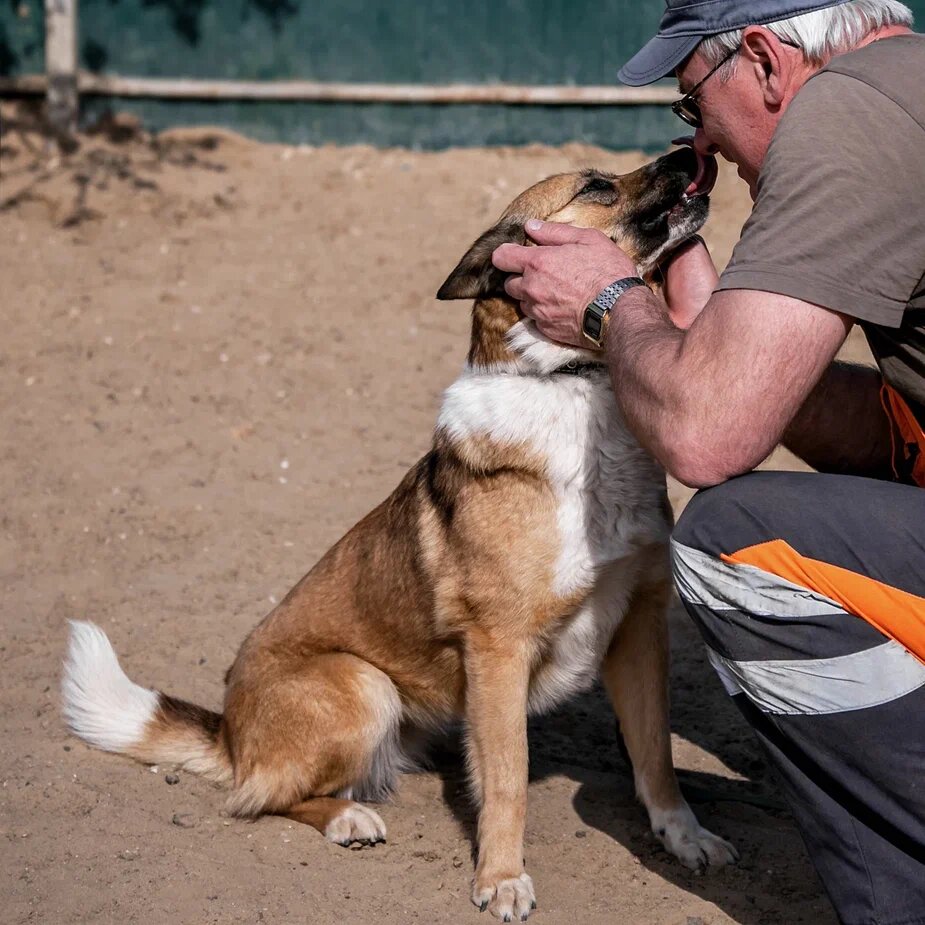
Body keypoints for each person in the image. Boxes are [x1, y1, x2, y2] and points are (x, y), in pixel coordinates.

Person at [491, 1, 925, 921]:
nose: (700, 142)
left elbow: (705, 442)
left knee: (733, 544)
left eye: (692, 103)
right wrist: (697, 326)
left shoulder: (841, 116)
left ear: (764, 60)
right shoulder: (907, 83)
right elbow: (889, 428)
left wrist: (610, 305)